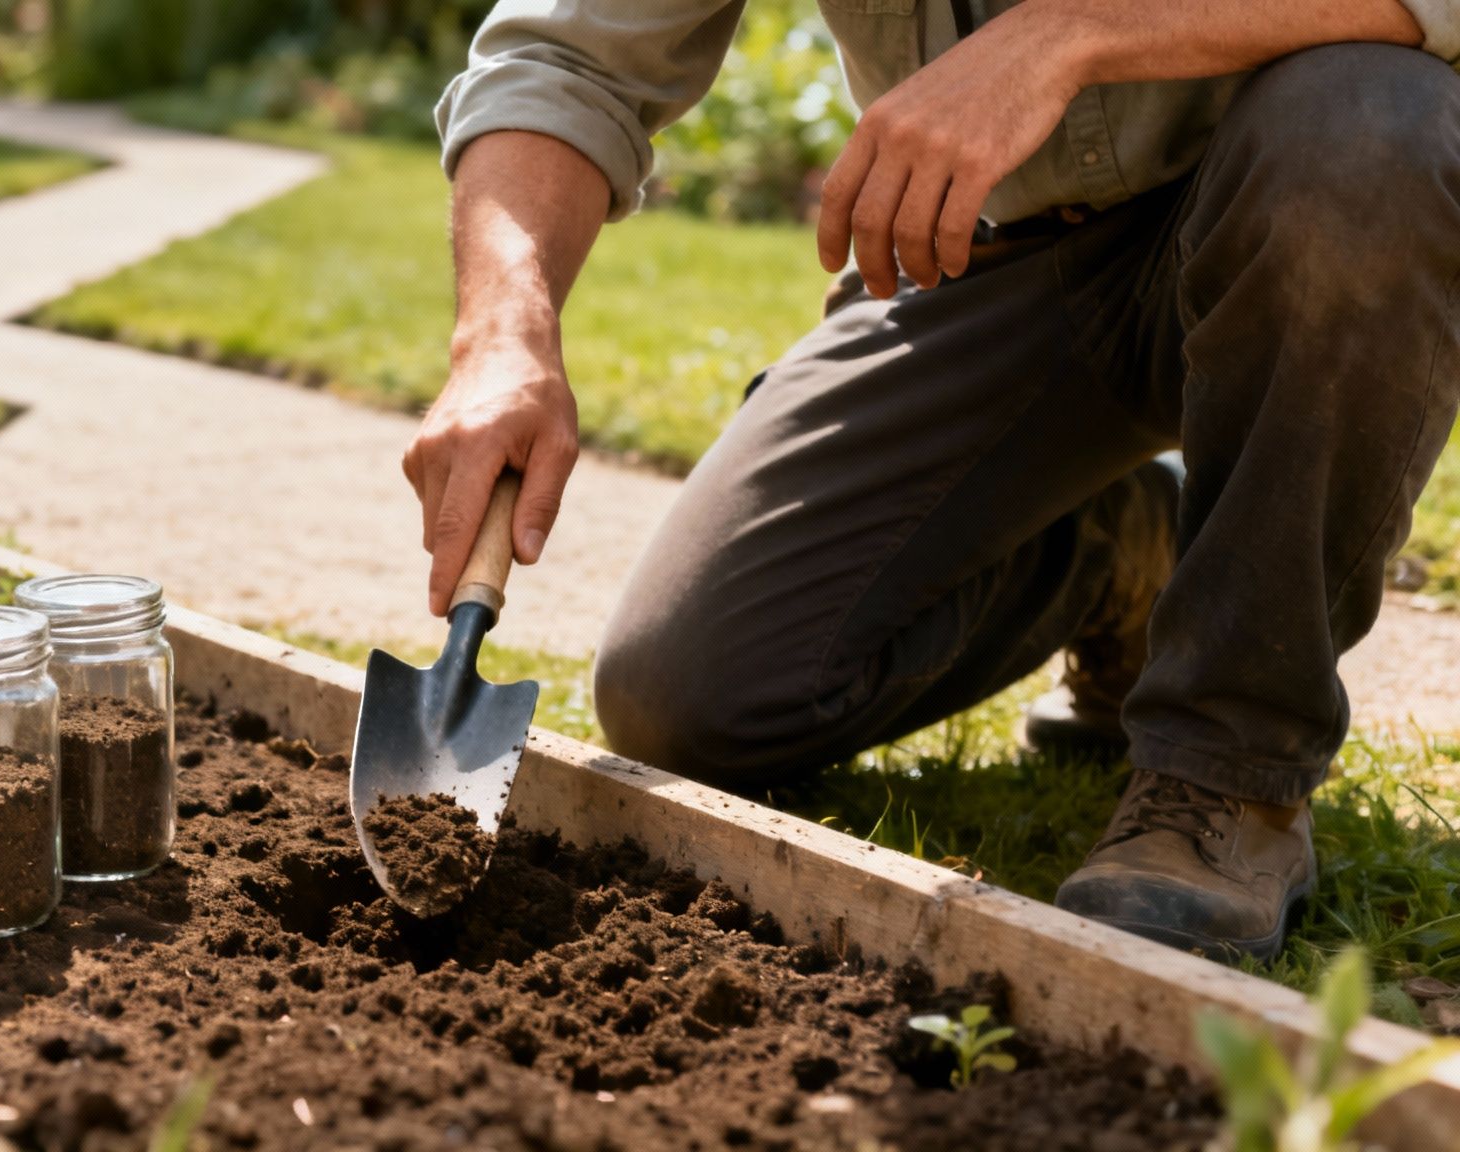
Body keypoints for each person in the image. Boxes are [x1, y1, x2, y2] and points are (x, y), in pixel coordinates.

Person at [401, 0, 1460, 960]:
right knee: (686, 697)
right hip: (979, 266)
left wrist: (1065, 33)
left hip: (1298, 200)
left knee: (1373, 123)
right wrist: (502, 333)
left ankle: (1229, 775)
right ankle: (1117, 551)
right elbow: (566, 55)